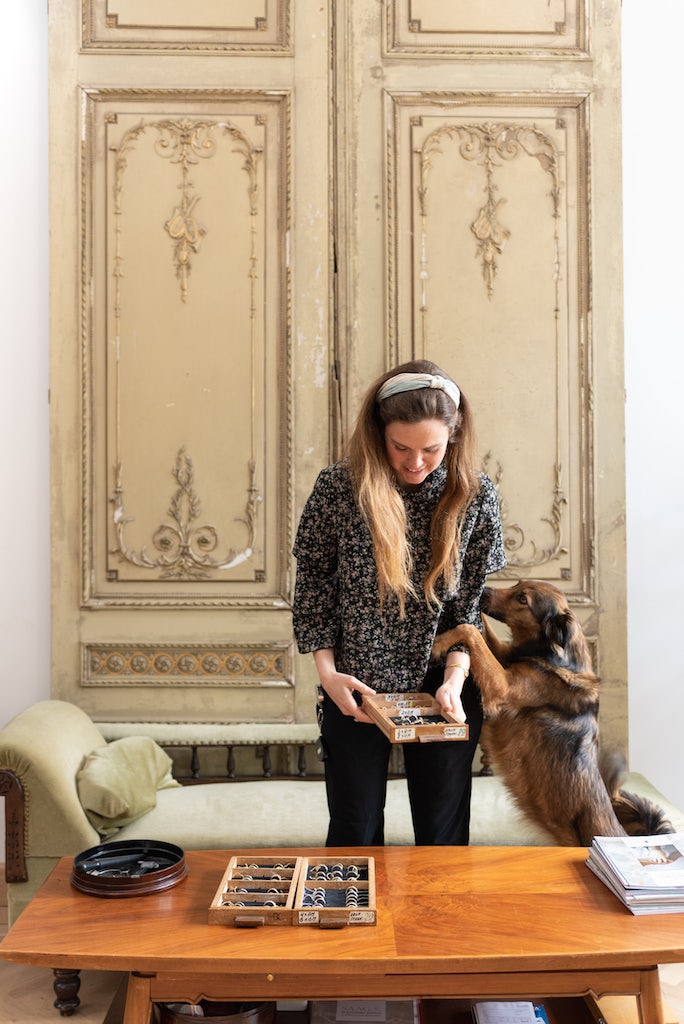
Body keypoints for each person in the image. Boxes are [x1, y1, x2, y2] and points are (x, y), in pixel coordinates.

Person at [292, 359, 506, 846]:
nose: (414, 462)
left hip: (444, 684)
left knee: (443, 833)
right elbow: (314, 590)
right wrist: (327, 675)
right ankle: (351, 922)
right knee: (354, 829)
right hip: (354, 684)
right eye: (400, 447)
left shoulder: (474, 495)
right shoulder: (338, 489)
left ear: (452, 436)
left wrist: (454, 682)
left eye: (430, 449)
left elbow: (465, 612)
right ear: (378, 434)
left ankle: (440, 926)